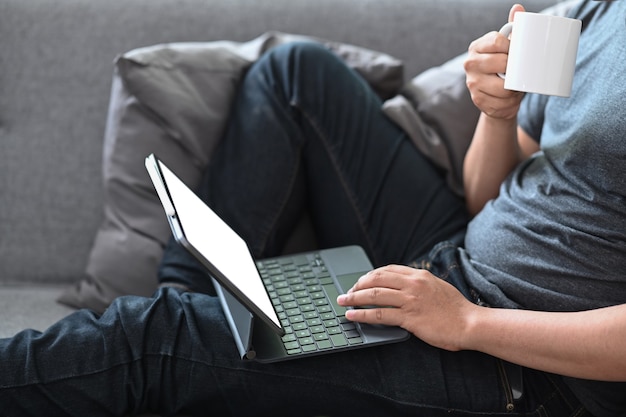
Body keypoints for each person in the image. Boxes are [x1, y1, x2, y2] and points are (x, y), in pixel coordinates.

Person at [2, 1, 625, 416]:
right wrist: (497, 113)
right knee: (296, 74)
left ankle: (174, 341)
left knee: (154, 338)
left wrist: (465, 323)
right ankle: (193, 312)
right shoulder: (592, 13)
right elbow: (487, 193)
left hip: (527, 364)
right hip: (455, 264)